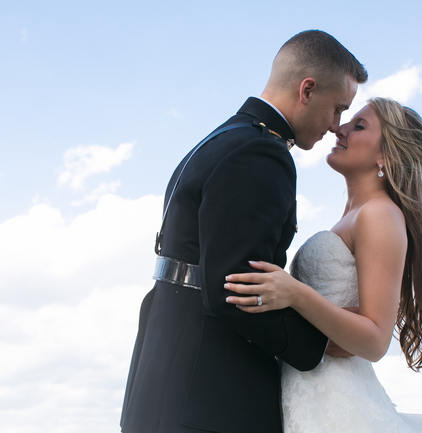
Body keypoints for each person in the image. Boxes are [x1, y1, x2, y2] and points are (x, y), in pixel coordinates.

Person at [119, 30, 368, 433]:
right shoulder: (261, 154)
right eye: (337, 108)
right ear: (308, 89)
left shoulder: (221, 139)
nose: (335, 125)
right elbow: (236, 290)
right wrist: (323, 342)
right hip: (211, 394)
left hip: (163, 379)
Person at [225, 97, 422, 432]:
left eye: (359, 126)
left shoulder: (379, 215)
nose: (340, 128)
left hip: (339, 405)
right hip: (308, 393)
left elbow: (374, 340)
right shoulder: (354, 216)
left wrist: (295, 294)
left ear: (385, 155)